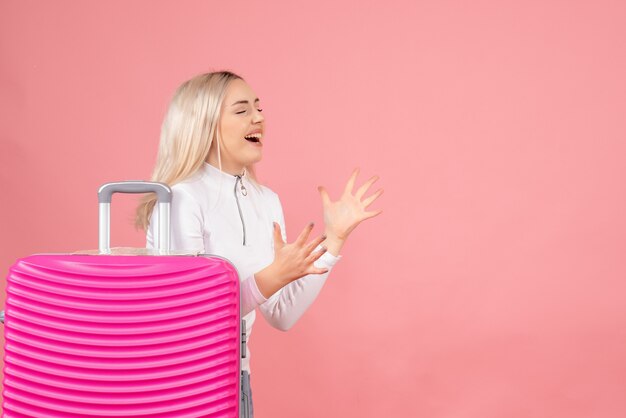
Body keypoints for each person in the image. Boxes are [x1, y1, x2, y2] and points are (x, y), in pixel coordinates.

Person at [135, 71, 383, 415]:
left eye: (259, 108)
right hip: (179, 384)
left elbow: (282, 314)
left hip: (235, 382)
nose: (258, 118)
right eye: (241, 110)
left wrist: (334, 241)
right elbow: (187, 316)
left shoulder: (266, 201)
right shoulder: (181, 198)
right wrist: (271, 279)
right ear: (204, 124)